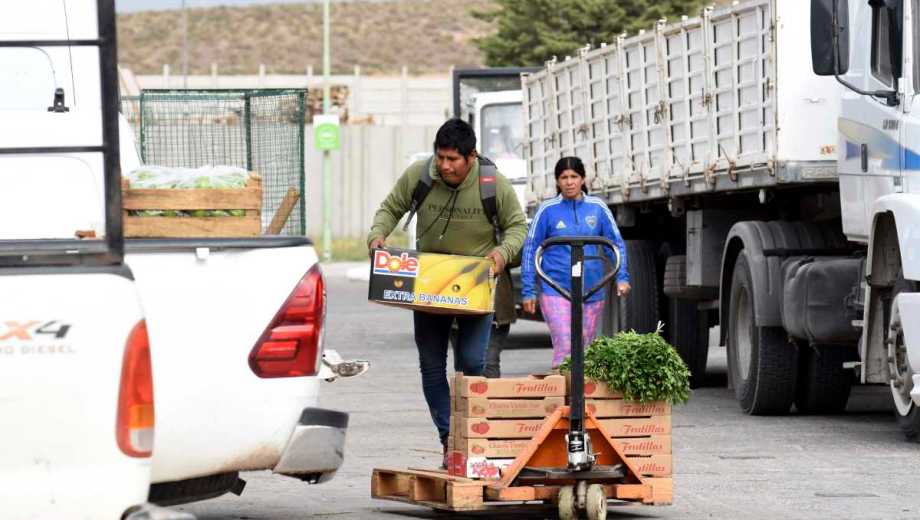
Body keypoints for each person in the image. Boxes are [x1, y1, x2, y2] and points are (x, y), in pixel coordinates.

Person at [367, 118, 527, 466]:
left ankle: (474, 438)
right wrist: (377, 235)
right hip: (428, 285)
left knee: (472, 363)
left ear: (471, 156)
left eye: (453, 159)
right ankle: (449, 439)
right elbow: (390, 208)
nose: (444, 166)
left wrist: (501, 254)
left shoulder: (492, 183)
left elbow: (517, 226)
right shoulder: (420, 175)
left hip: (475, 287)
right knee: (431, 367)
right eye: (440, 157)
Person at [520, 156, 631, 369]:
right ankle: (565, 388)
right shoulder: (547, 210)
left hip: (592, 289)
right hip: (555, 288)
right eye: (564, 177)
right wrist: (528, 290)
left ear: (583, 179)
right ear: (557, 181)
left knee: (584, 350)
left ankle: (579, 390)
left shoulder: (597, 208)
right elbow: (530, 249)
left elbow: (615, 245)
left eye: (574, 176)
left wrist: (622, 277)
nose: (569, 182)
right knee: (565, 346)